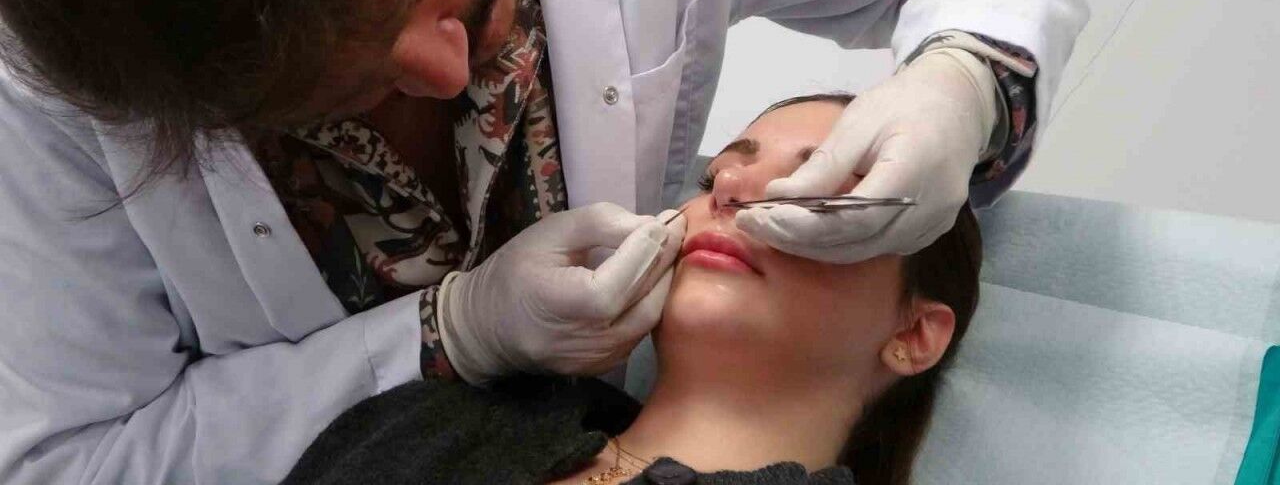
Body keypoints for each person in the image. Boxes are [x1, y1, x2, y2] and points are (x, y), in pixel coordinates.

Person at [0, 0, 1083, 481]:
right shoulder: (53, 89)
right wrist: (450, 335)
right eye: (333, 89)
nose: (444, 68)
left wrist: (967, 81)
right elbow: (69, 461)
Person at [284, 94, 983, 485]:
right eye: (713, 176)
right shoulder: (432, 422)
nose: (730, 187)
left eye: (821, 189)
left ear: (913, 335)